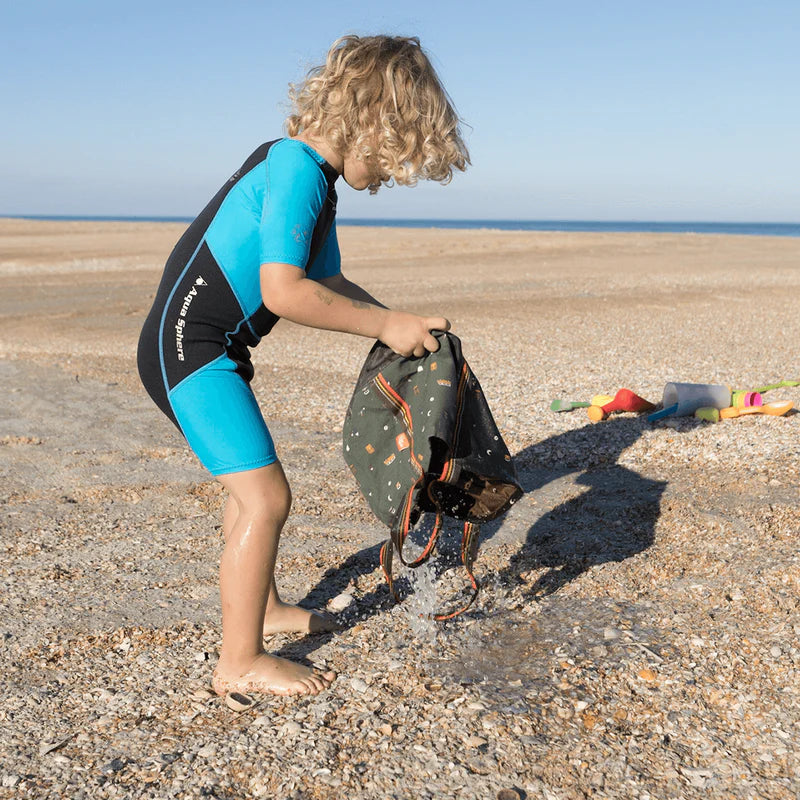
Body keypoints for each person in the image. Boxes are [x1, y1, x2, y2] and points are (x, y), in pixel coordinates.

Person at [137, 34, 469, 697]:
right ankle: (239, 661)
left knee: (248, 491)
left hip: (208, 349)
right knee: (266, 497)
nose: (391, 176)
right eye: (395, 156)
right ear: (371, 121)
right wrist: (384, 326)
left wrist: (397, 321)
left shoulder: (311, 176)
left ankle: (261, 609)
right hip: (189, 350)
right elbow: (284, 291)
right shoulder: (295, 168)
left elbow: (329, 282)